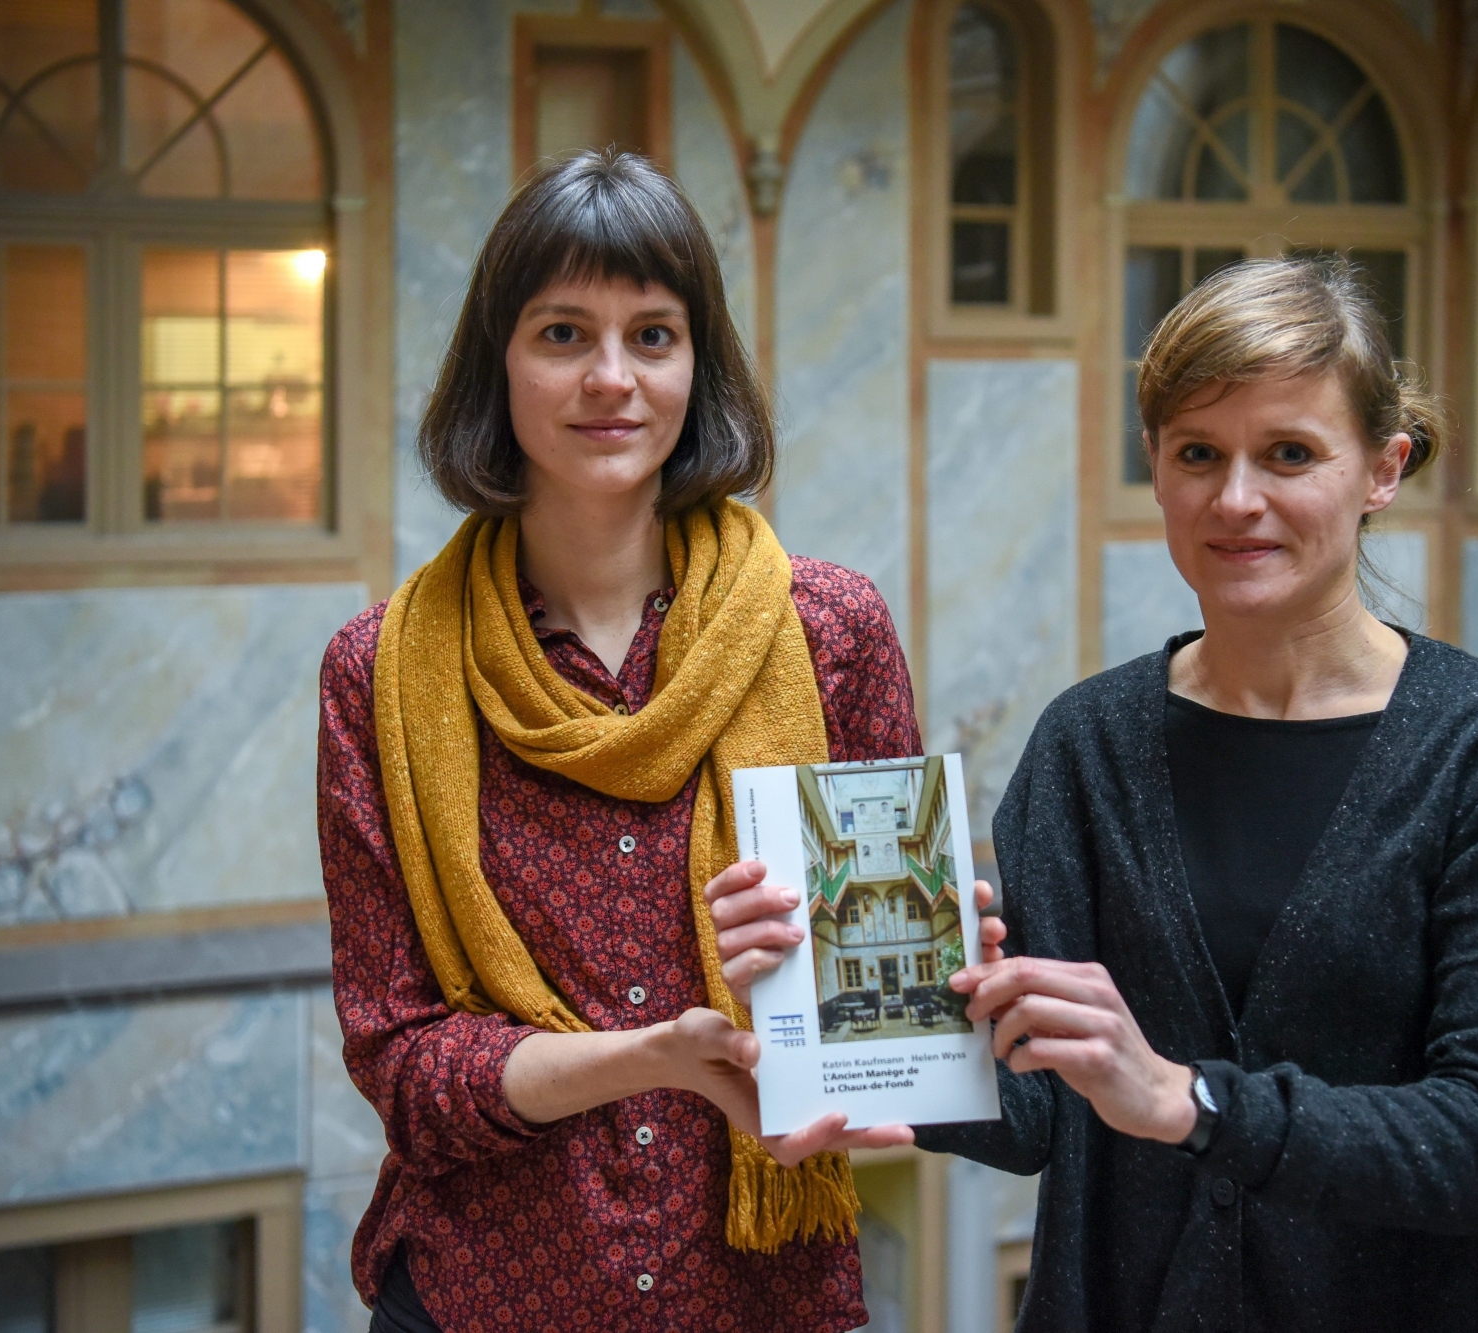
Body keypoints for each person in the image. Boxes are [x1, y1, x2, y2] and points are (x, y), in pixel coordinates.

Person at [717, 256, 1478, 1331]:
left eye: (1288, 453)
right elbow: (1041, 1109)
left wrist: (1187, 1101)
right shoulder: (1086, 743)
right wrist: (840, 1033)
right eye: (1199, 453)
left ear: (1383, 467)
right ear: (1155, 464)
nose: (1237, 499)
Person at [316, 148, 996, 1333]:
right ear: (499, 363)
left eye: (653, 334)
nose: (610, 380)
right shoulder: (376, 672)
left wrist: (920, 973)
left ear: (699, 362)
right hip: (489, 1292)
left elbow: (881, 1025)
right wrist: (653, 1056)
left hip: (755, 1291)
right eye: (563, 333)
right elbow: (407, 1069)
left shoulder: (826, 629)